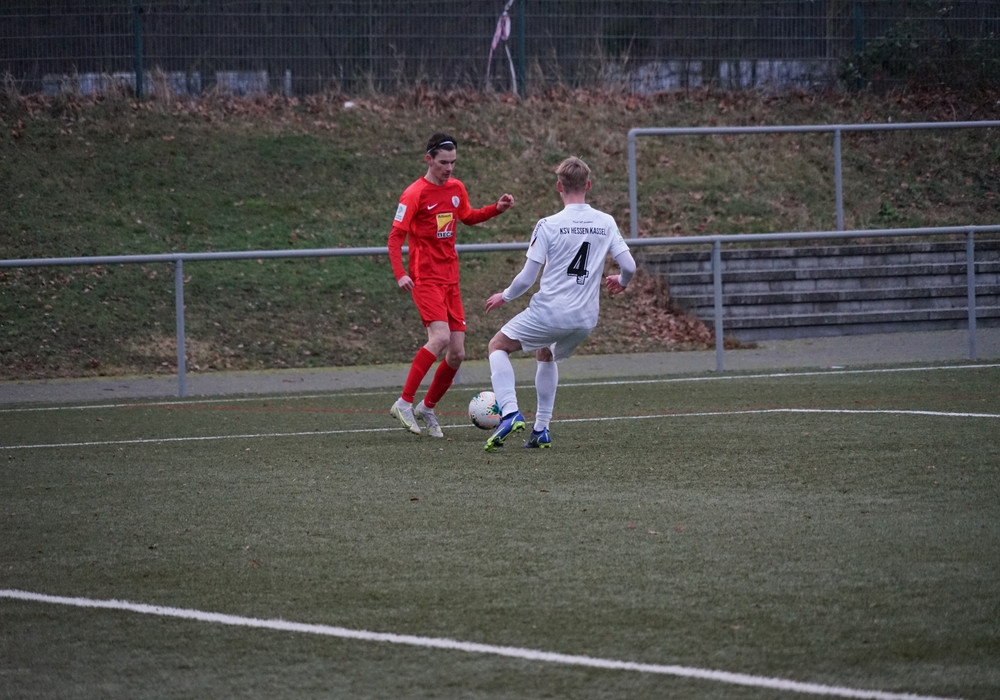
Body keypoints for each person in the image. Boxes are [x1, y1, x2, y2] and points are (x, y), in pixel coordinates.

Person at [482, 156, 635, 451]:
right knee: (546, 352)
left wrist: (505, 295)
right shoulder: (606, 222)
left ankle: (510, 412)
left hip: (550, 313)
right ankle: (541, 429)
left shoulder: (548, 225)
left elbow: (527, 278)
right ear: (588, 185)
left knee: (497, 346)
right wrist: (623, 281)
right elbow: (629, 265)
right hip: (585, 319)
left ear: (558, 187)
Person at [388, 132, 515, 438]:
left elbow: (467, 217)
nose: (449, 168)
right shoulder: (414, 194)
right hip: (425, 279)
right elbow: (395, 237)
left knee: (457, 353)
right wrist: (400, 273)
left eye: (453, 162)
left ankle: (427, 408)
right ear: (428, 159)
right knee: (440, 337)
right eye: (443, 162)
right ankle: (403, 403)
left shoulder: (456, 188)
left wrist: (496, 208)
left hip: (451, 280)